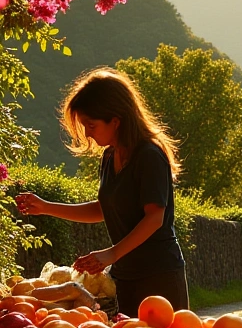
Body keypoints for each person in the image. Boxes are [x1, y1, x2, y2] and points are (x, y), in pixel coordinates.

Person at [14, 68, 189, 315]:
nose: (87, 133)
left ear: (115, 121)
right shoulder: (109, 157)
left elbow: (154, 218)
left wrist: (110, 254)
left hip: (159, 276)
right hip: (125, 277)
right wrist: (46, 207)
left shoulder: (149, 155)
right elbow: (102, 208)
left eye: (91, 125)